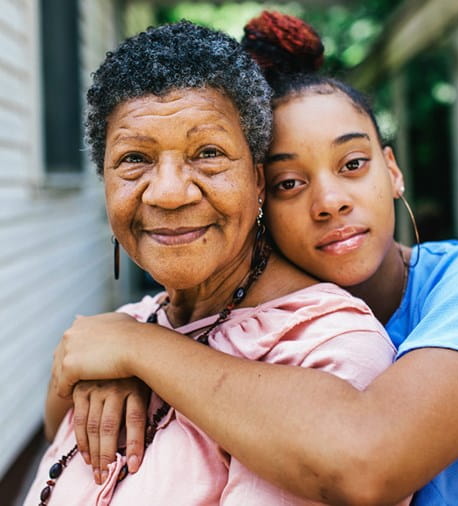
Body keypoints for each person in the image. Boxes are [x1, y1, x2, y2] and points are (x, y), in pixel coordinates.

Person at [46, 11, 458, 506]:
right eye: (289, 182)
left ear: (392, 170)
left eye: (353, 163)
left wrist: (137, 348)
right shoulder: (238, 323)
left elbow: (370, 458)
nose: (330, 201)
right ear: (259, 197)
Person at [23, 20, 407, 506]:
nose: (167, 192)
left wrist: (136, 348)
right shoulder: (115, 335)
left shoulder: (328, 349)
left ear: (257, 180)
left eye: (208, 153)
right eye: (134, 158)